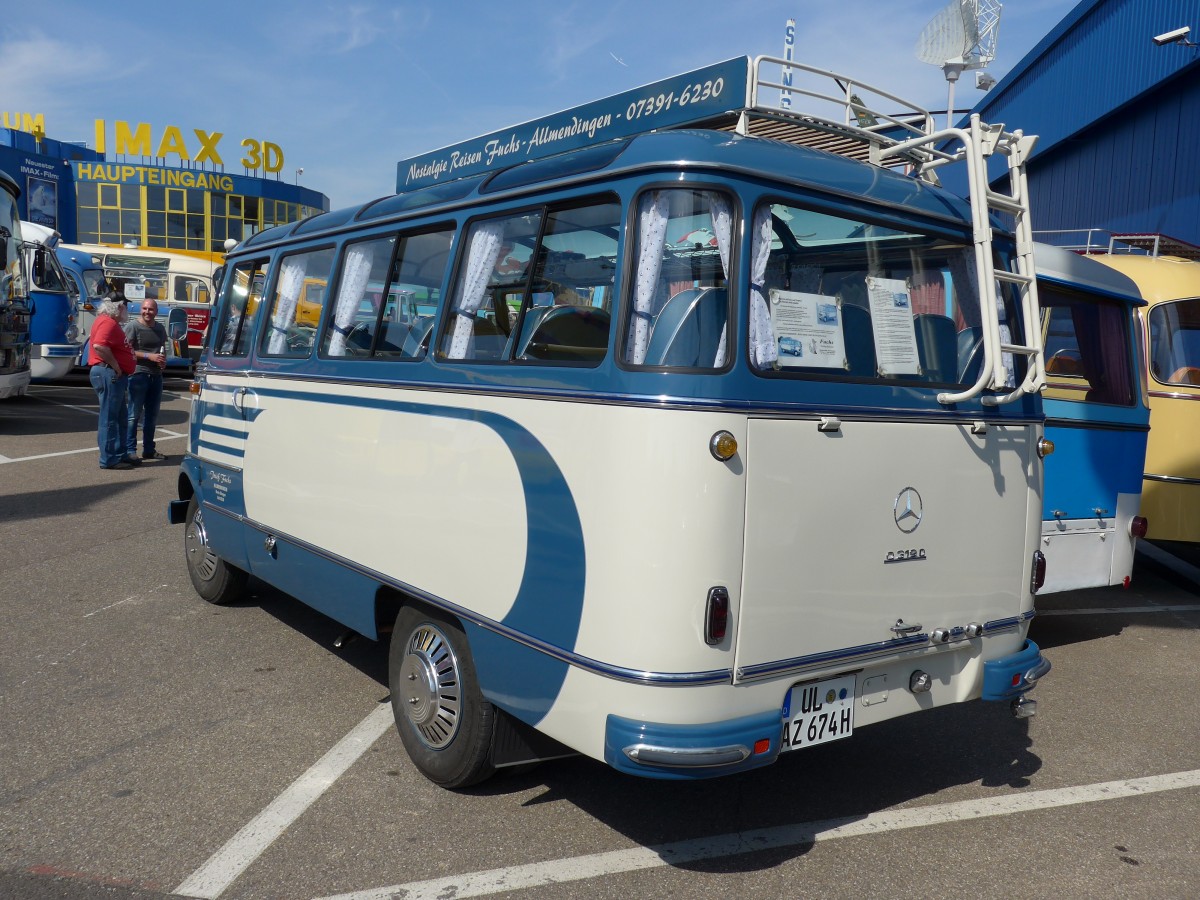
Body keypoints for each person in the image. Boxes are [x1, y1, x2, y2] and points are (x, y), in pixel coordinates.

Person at [88, 293, 138, 470]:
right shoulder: (107, 322)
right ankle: (109, 459)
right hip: (109, 374)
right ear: (118, 306)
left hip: (112, 374)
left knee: (119, 417)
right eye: (125, 305)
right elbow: (99, 346)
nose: (126, 309)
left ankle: (119, 454)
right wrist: (116, 366)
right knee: (109, 419)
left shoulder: (108, 321)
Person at [124, 298, 169, 461]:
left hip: (156, 376)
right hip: (138, 375)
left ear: (156, 312)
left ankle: (149, 449)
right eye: (144, 309)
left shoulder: (160, 328)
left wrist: (163, 361)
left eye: (150, 309)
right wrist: (148, 356)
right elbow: (126, 351)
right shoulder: (133, 327)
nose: (147, 312)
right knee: (133, 415)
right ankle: (130, 450)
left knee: (152, 415)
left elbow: (163, 350)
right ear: (140, 310)